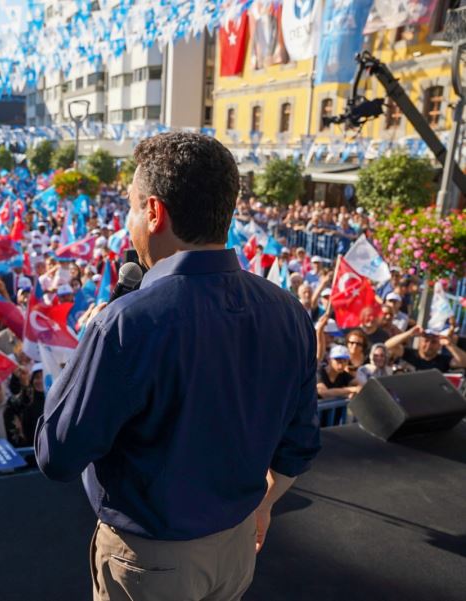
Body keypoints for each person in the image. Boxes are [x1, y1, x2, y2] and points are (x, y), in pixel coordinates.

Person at [35, 132, 320, 601]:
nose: (128, 223)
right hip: (237, 549)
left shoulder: (126, 324)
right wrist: (264, 504)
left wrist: (90, 344)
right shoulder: (289, 311)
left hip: (150, 564)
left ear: (154, 211)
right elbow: (300, 445)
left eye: (130, 206)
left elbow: (56, 454)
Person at [385, 325, 466, 372]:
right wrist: (409, 333)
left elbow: (463, 362)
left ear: (439, 345)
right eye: (426, 340)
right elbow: (387, 346)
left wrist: (449, 345)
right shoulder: (408, 353)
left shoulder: (444, 360)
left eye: (433, 342)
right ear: (420, 342)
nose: (429, 345)